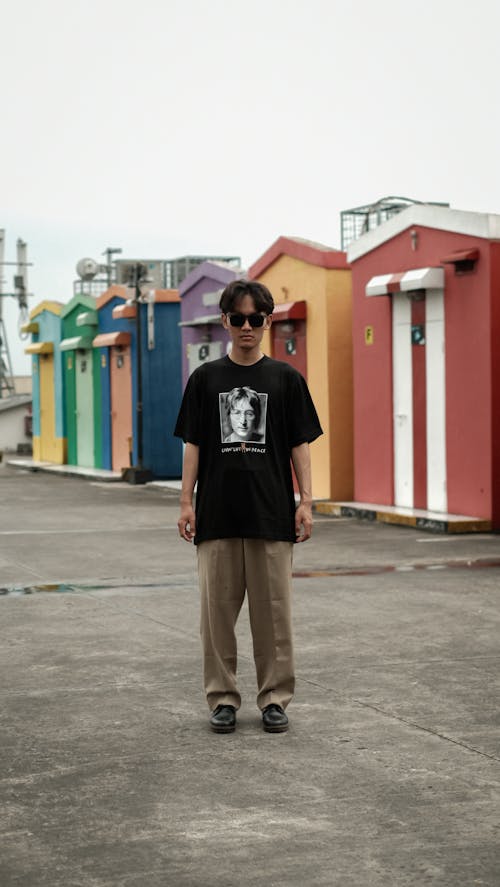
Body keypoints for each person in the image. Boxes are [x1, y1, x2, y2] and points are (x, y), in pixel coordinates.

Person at [174, 279, 322, 734]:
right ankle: (222, 699)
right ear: (224, 322)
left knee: (274, 615)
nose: (246, 327)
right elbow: (194, 445)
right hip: (217, 514)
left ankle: (275, 699)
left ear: (267, 322)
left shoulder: (286, 379)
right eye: (237, 318)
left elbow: (300, 445)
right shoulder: (205, 379)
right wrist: (186, 501)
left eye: (255, 319)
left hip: (271, 513)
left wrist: (306, 502)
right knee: (215, 617)